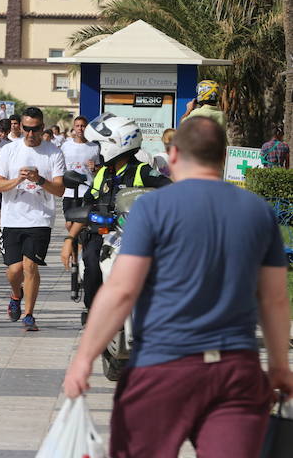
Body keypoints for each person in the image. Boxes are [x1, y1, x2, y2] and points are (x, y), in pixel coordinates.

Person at [63, 116, 293, 457]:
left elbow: (122, 290)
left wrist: (83, 359)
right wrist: (278, 366)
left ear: (173, 157)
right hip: (234, 372)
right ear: (223, 158)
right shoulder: (257, 212)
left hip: (163, 367)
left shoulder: (153, 208)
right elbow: (274, 299)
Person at [61, 113, 171, 319]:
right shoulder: (102, 174)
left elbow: (171, 190)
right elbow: (87, 205)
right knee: (92, 261)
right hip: (102, 232)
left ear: (115, 144)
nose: (99, 150)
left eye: (101, 144)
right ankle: (93, 311)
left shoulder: (142, 171)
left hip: (133, 233)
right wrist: (69, 239)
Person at [0, 106, 66, 332]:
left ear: (42, 128)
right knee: (14, 271)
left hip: (40, 219)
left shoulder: (53, 152)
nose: (30, 134)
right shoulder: (9, 151)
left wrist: (40, 179)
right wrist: (18, 180)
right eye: (26, 129)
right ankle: (16, 295)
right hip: (12, 219)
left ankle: (29, 314)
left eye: (35, 129)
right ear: (21, 127)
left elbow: (60, 189)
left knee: (31, 266)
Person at [59, 116, 100, 230]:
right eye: (77, 126)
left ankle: (79, 247)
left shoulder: (94, 147)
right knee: (69, 224)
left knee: (83, 224)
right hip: (69, 192)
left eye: (83, 126)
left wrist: (94, 168)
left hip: (86, 191)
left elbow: (99, 170)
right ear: (74, 128)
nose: (80, 129)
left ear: (86, 128)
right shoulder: (66, 146)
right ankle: (73, 244)